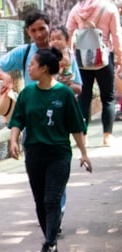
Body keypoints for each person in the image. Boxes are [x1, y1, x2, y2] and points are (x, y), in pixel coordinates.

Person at [7, 48, 91, 252]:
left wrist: (83, 153)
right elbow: (18, 119)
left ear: (44, 68)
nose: (29, 68)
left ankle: (49, 244)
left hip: (58, 154)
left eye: (32, 64)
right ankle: (50, 241)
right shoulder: (27, 93)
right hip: (34, 153)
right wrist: (13, 140)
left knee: (51, 199)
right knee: (40, 201)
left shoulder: (64, 94)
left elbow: (76, 126)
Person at [66, 0, 122, 145]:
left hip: (82, 60)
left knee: (84, 97)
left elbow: (68, 33)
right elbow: (116, 35)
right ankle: (107, 136)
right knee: (108, 97)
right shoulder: (109, 8)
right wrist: (120, 56)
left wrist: (69, 55)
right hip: (103, 58)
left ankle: (83, 136)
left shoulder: (77, 9)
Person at [0, 11, 52, 92]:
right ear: (28, 31)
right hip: (32, 103)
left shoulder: (62, 52)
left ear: (49, 26)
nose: (38, 34)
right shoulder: (25, 52)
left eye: (42, 29)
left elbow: (72, 82)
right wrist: (5, 77)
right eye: (33, 30)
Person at [50, 26, 83, 97]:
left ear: (67, 41)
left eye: (59, 39)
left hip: (68, 90)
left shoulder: (71, 56)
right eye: (52, 39)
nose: (55, 41)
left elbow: (78, 88)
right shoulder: (49, 56)